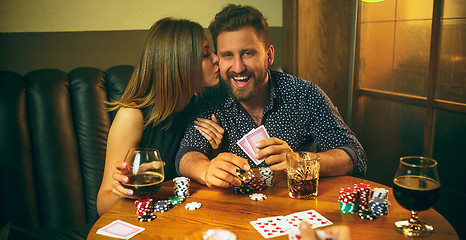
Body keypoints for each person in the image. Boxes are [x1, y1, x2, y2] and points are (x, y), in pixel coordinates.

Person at [176, 4, 367, 188]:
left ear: (269, 56)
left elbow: (355, 155)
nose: (238, 67)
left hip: (296, 208)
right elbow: (187, 156)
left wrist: (300, 161)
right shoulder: (209, 99)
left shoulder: (304, 93)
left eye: (247, 53)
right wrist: (206, 170)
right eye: (227, 55)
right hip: (235, 210)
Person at [97, 18, 223, 216]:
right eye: (206, 54)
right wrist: (128, 188)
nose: (217, 59)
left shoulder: (200, 105)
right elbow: (102, 205)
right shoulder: (132, 116)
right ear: (179, 64)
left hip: (184, 218)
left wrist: (215, 148)